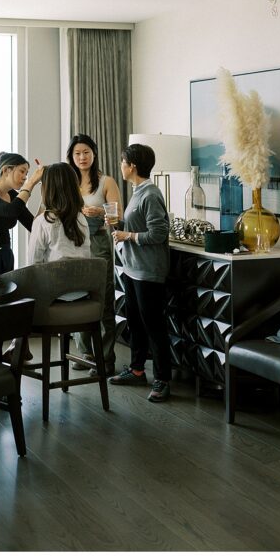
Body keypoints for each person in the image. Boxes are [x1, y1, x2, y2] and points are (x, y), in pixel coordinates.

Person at [110, 142, 172, 403]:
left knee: (154, 325)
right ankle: (136, 370)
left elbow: (159, 233)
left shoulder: (150, 194)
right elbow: (137, 225)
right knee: (135, 321)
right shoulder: (137, 191)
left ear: (132, 165)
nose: (121, 167)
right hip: (132, 269)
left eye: (123, 162)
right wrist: (119, 224)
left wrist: (128, 234)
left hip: (148, 271)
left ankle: (163, 379)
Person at [66, 133, 121, 376]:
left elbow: (117, 220)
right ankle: (85, 352)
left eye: (86, 152)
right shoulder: (67, 182)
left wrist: (101, 213)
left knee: (103, 299)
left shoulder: (106, 181)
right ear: (71, 157)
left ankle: (106, 358)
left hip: (98, 242)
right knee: (78, 297)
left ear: (94, 153)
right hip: (73, 244)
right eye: (77, 153)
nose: (82, 157)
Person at [0, 152, 44, 274]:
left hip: (6, 255)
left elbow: (33, 225)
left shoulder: (12, 195)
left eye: (27, 174)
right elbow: (10, 211)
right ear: (6, 170)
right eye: (22, 171)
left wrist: (44, 198)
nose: (25, 177)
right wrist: (31, 183)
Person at [28, 163, 91, 263]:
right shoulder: (80, 218)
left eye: (42, 184)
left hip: (52, 278)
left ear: (47, 188)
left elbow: (33, 264)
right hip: (81, 277)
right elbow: (86, 257)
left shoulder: (42, 222)